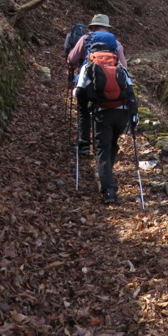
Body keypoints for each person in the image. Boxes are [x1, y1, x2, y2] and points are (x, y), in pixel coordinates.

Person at [74, 44, 138, 205]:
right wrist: (134, 115)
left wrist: (84, 102)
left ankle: (108, 188)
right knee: (112, 144)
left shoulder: (89, 65)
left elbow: (79, 91)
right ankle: (106, 173)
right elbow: (130, 91)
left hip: (102, 113)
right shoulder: (119, 67)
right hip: (122, 113)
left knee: (101, 149)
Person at [66, 14, 127, 156]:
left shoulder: (85, 39)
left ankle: (84, 145)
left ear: (92, 27)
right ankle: (101, 147)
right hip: (108, 84)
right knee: (102, 111)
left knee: (83, 110)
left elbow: (71, 59)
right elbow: (123, 67)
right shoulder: (116, 44)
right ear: (107, 28)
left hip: (87, 83)